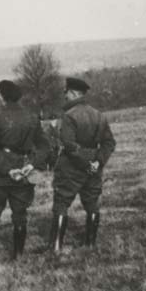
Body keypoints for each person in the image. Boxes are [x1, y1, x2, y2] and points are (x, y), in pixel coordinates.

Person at [0, 80, 50, 263]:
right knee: (20, 215)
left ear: (2, 96)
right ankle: (18, 257)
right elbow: (44, 146)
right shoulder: (32, 117)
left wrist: (6, 169)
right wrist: (32, 164)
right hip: (24, 171)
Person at [48, 78, 116, 252]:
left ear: (73, 93)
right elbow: (109, 143)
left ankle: (56, 248)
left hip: (71, 166)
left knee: (61, 204)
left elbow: (69, 145)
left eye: (67, 93)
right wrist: (97, 162)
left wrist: (86, 163)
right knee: (92, 204)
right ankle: (90, 245)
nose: (65, 97)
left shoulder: (69, 115)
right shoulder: (99, 115)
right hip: (94, 166)